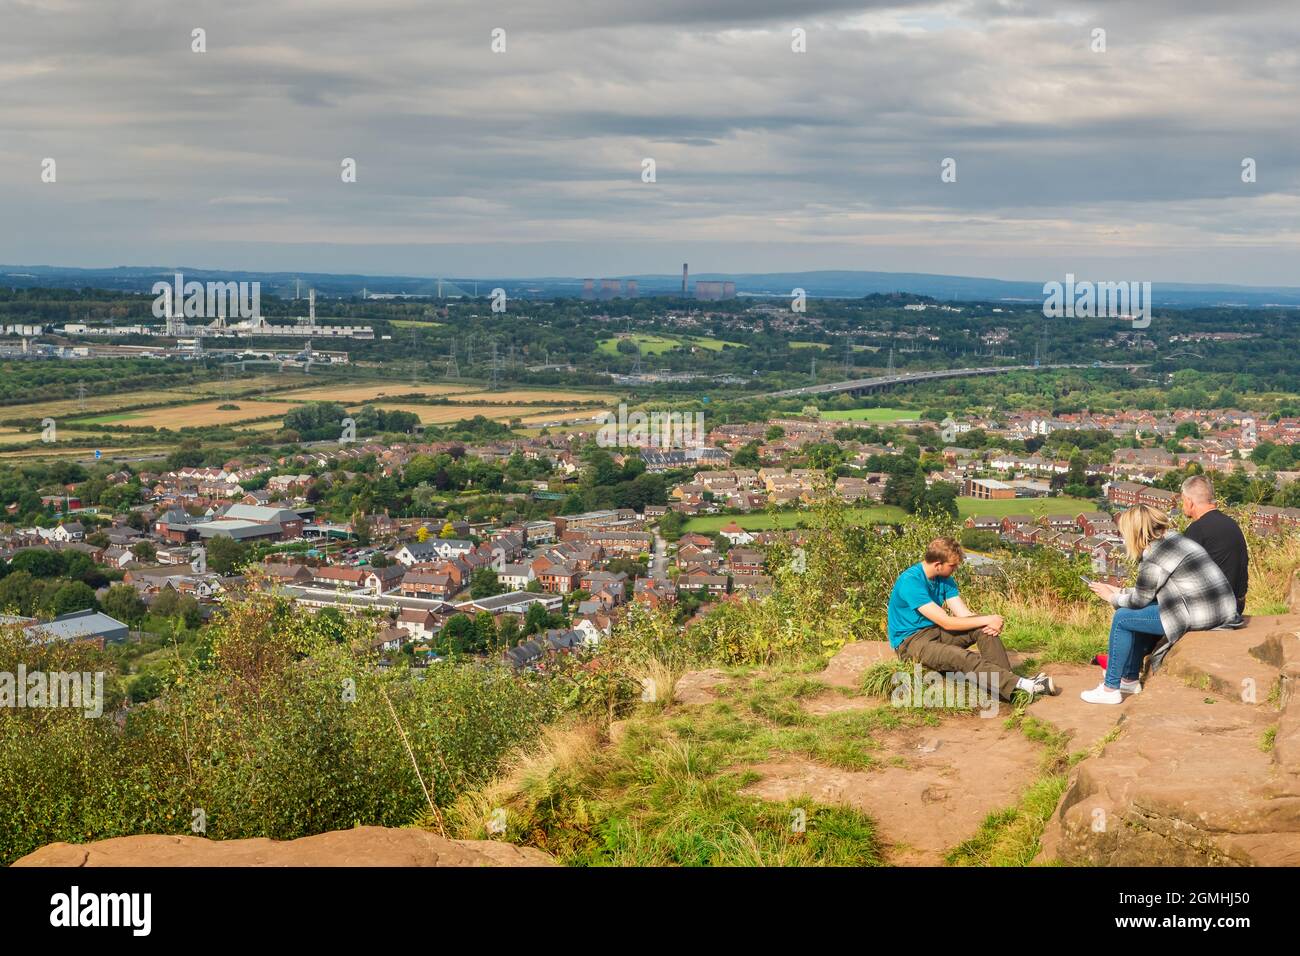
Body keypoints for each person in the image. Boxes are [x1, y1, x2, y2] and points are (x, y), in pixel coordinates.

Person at [1083, 504, 1237, 705]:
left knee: (1122, 618)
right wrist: (1119, 592)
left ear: (1134, 532)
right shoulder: (1175, 540)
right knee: (1132, 615)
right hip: (1220, 609)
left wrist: (1111, 597)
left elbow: (1139, 601)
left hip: (1201, 614)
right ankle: (1129, 679)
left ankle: (1110, 688)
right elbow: (1149, 593)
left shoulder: (1154, 557)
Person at [887, 536, 1058, 701]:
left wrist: (990, 621)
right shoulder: (911, 582)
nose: (955, 569)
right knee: (962, 657)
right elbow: (946, 622)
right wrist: (988, 618)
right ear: (938, 564)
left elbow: (964, 615)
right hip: (911, 643)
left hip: (935, 632)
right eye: (952, 566)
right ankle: (1025, 685)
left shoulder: (944, 579)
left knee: (983, 630)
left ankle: (1008, 685)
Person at [1179, 475, 1248, 620]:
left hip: (1214, 609)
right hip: (1237, 604)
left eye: (1182, 501)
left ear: (1189, 501)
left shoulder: (1197, 530)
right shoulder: (1231, 524)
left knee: (1129, 616)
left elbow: (1180, 577)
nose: (1182, 505)